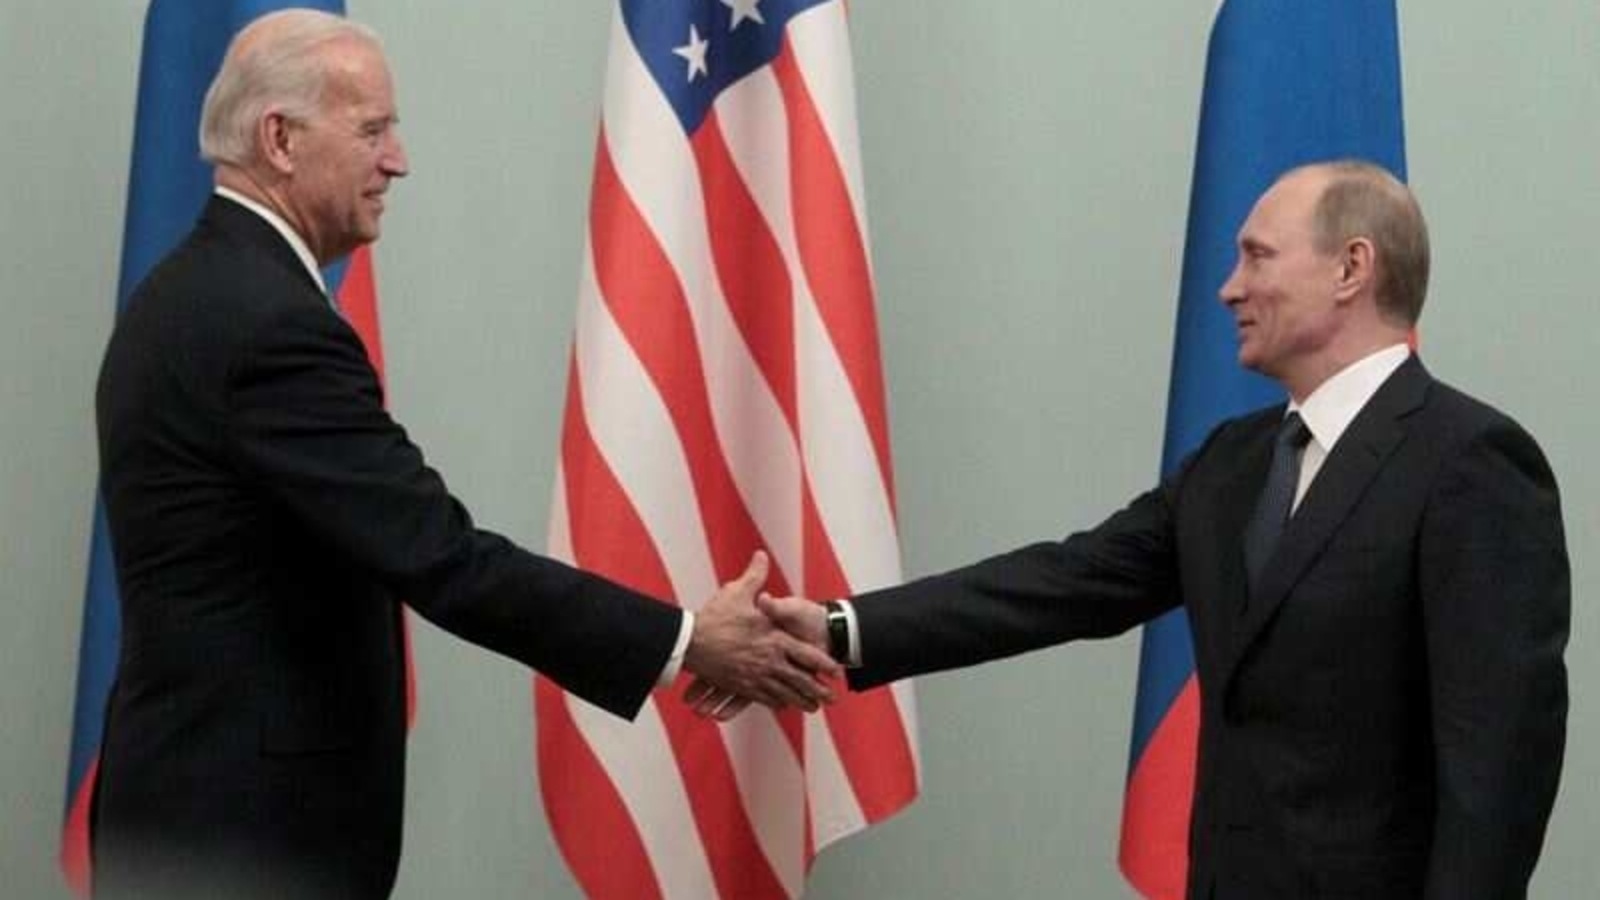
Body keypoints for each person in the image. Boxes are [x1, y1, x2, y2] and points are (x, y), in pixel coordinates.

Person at [91, 10, 833, 899]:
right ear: (279, 139)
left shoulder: (189, 292)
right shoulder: (267, 327)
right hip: (243, 844)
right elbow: (442, 556)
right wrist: (684, 641)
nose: (397, 159)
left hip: (193, 820)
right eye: (372, 130)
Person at [715, 160, 1571, 899]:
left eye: (1257, 257)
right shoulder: (1235, 464)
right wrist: (842, 627)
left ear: (1352, 268)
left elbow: (1498, 764)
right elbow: (1065, 583)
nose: (1229, 287)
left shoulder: (1469, 462)